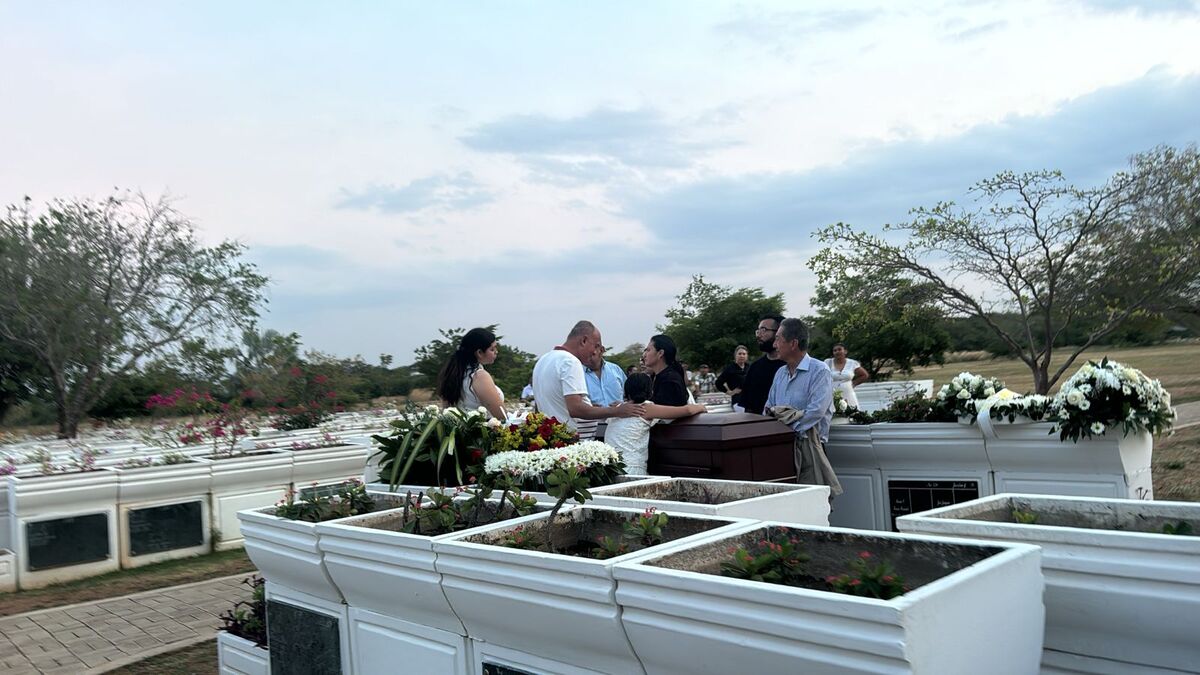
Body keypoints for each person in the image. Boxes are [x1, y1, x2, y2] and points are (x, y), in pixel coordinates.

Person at [764, 318, 840, 495]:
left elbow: (816, 411)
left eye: (778, 339)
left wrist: (789, 430)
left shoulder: (819, 371)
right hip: (784, 448)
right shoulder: (780, 373)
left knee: (814, 504)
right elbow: (769, 407)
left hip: (811, 448)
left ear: (793, 343)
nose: (774, 344)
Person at [532, 320, 643, 430]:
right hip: (573, 439)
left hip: (555, 438)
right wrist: (618, 411)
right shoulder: (570, 362)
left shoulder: (543, 360)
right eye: (596, 346)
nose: (595, 352)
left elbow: (539, 408)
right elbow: (576, 409)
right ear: (584, 340)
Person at [435, 327, 506, 420]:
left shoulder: (452, 374)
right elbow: (502, 416)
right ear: (479, 353)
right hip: (485, 430)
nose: (496, 352)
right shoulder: (479, 376)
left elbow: (446, 410)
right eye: (492, 349)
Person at [641, 335, 709, 418]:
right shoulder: (655, 377)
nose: (644, 355)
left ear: (660, 353)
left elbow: (672, 414)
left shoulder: (670, 380)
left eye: (648, 350)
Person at [739, 314, 787, 415]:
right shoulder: (755, 367)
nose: (759, 335)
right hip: (759, 427)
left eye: (763, 330)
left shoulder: (791, 366)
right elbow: (748, 408)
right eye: (758, 331)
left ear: (779, 333)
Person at [825, 342, 869, 409]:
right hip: (832, 395)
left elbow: (864, 375)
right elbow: (820, 376)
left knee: (852, 414)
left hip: (849, 394)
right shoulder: (827, 362)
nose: (837, 352)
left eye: (839, 349)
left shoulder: (852, 363)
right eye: (835, 350)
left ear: (845, 351)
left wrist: (854, 384)